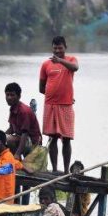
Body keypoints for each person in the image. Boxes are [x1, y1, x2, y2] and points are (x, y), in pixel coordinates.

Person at [39, 35, 79, 173]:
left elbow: (75, 68)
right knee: (53, 137)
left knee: (66, 138)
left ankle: (66, 170)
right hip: (50, 104)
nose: (57, 50)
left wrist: (60, 61)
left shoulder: (71, 60)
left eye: (60, 48)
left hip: (66, 105)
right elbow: (41, 87)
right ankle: (55, 169)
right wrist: (53, 95)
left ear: (65, 47)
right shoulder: (46, 64)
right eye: (55, 48)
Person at [5, 82, 42, 158]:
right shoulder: (13, 108)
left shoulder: (24, 111)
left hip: (33, 143)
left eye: (12, 95)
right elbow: (11, 129)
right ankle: (15, 163)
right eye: (7, 95)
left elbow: (24, 134)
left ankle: (17, 161)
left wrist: (17, 154)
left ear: (19, 96)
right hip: (23, 139)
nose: (9, 97)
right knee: (0, 141)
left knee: (9, 140)